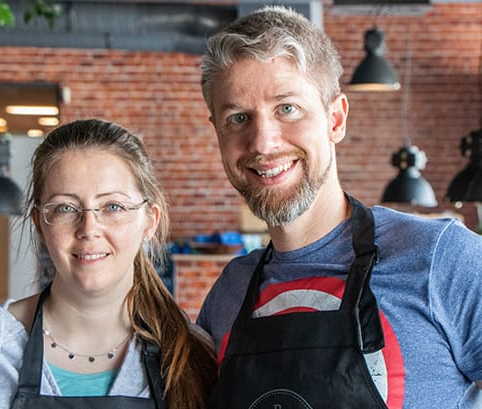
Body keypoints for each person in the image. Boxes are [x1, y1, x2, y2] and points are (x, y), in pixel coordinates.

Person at [196, 5, 482, 409]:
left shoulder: (442, 259)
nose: (262, 142)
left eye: (287, 108)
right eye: (238, 118)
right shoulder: (229, 293)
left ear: (335, 119)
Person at [0, 119, 217, 408]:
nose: (89, 229)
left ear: (150, 220)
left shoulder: (191, 355)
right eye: (66, 208)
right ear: (40, 224)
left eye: (112, 206)